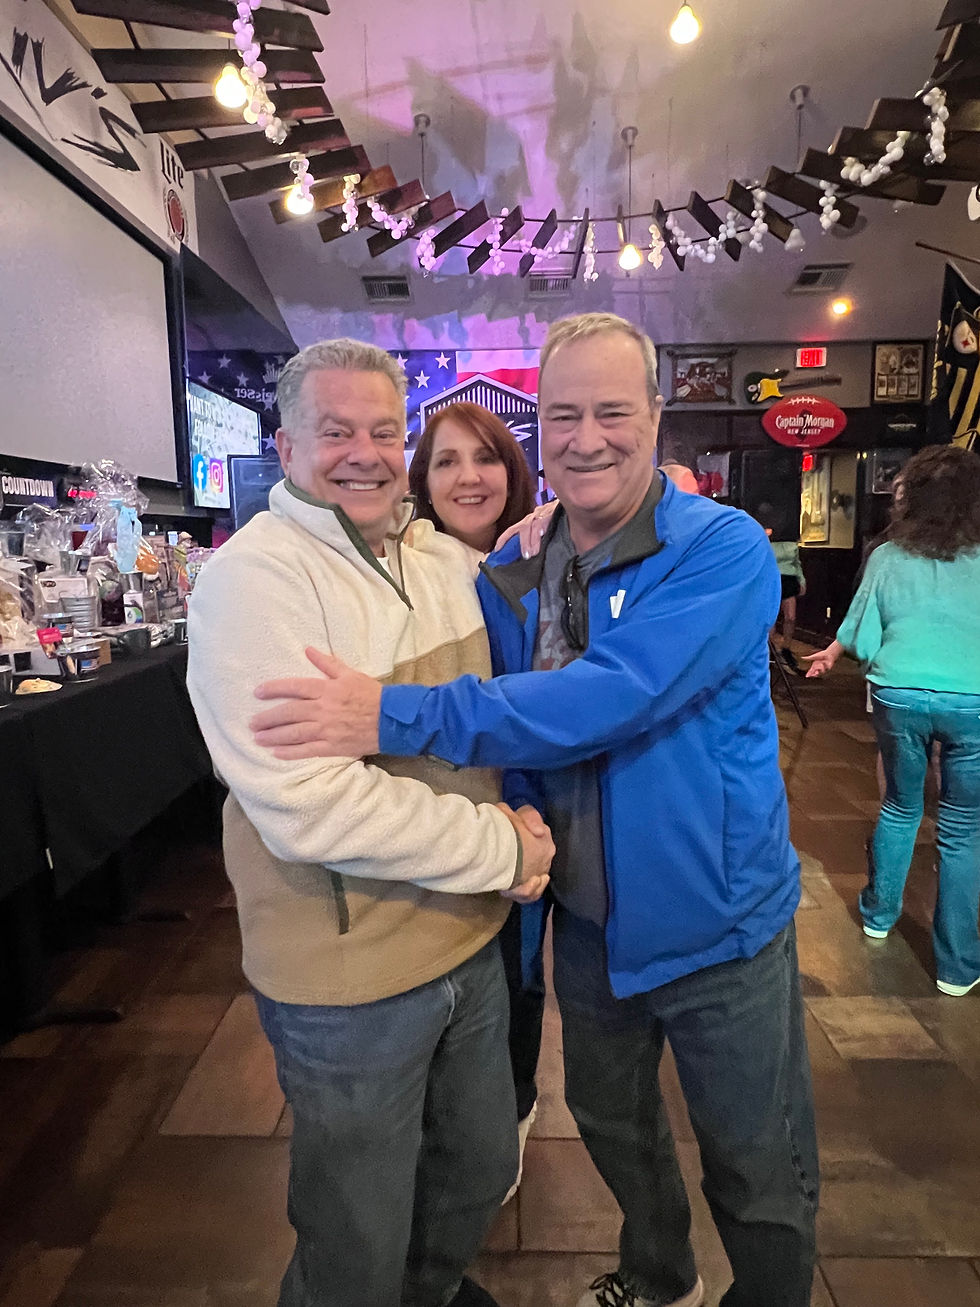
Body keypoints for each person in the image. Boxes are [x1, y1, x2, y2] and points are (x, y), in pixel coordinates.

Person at [250, 313, 819, 1307]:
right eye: (563, 414)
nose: (586, 437)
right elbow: (501, 706)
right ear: (540, 427)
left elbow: (611, 695)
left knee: (755, 1160)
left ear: (656, 414)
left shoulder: (720, 548)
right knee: (610, 1123)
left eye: (611, 411)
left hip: (719, 924)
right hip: (587, 926)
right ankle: (658, 1275)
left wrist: (387, 711)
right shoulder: (522, 561)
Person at [186, 337, 554, 1307]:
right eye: (335, 430)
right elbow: (309, 804)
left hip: (466, 936)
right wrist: (500, 846)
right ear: (286, 442)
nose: (362, 451)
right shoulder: (251, 580)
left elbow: (517, 670)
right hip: (346, 976)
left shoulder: (439, 554)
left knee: (475, 1171)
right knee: (354, 1234)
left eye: (383, 431)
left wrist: (565, 534)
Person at [408, 400, 542, 1182]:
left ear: (511, 469)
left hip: (548, 795)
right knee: (469, 967)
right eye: (447, 459)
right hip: (455, 806)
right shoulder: (410, 561)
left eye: (484, 457)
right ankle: (457, 1129)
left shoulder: (547, 548)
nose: (468, 476)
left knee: (524, 974)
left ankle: (514, 1112)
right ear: (422, 478)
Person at [804, 444, 980, 997]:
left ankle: (879, 916)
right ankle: (957, 965)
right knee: (963, 829)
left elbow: (860, 638)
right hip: (973, 701)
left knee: (902, 807)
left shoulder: (887, 557)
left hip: (899, 695)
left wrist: (837, 653)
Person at [755, 503, 806, 674]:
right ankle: (770, 654)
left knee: (791, 617)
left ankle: (786, 649)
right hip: (772, 578)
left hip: (789, 578)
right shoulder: (767, 537)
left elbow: (797, 562)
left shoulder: (791, 539)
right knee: (771, 619)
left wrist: (802, 580)